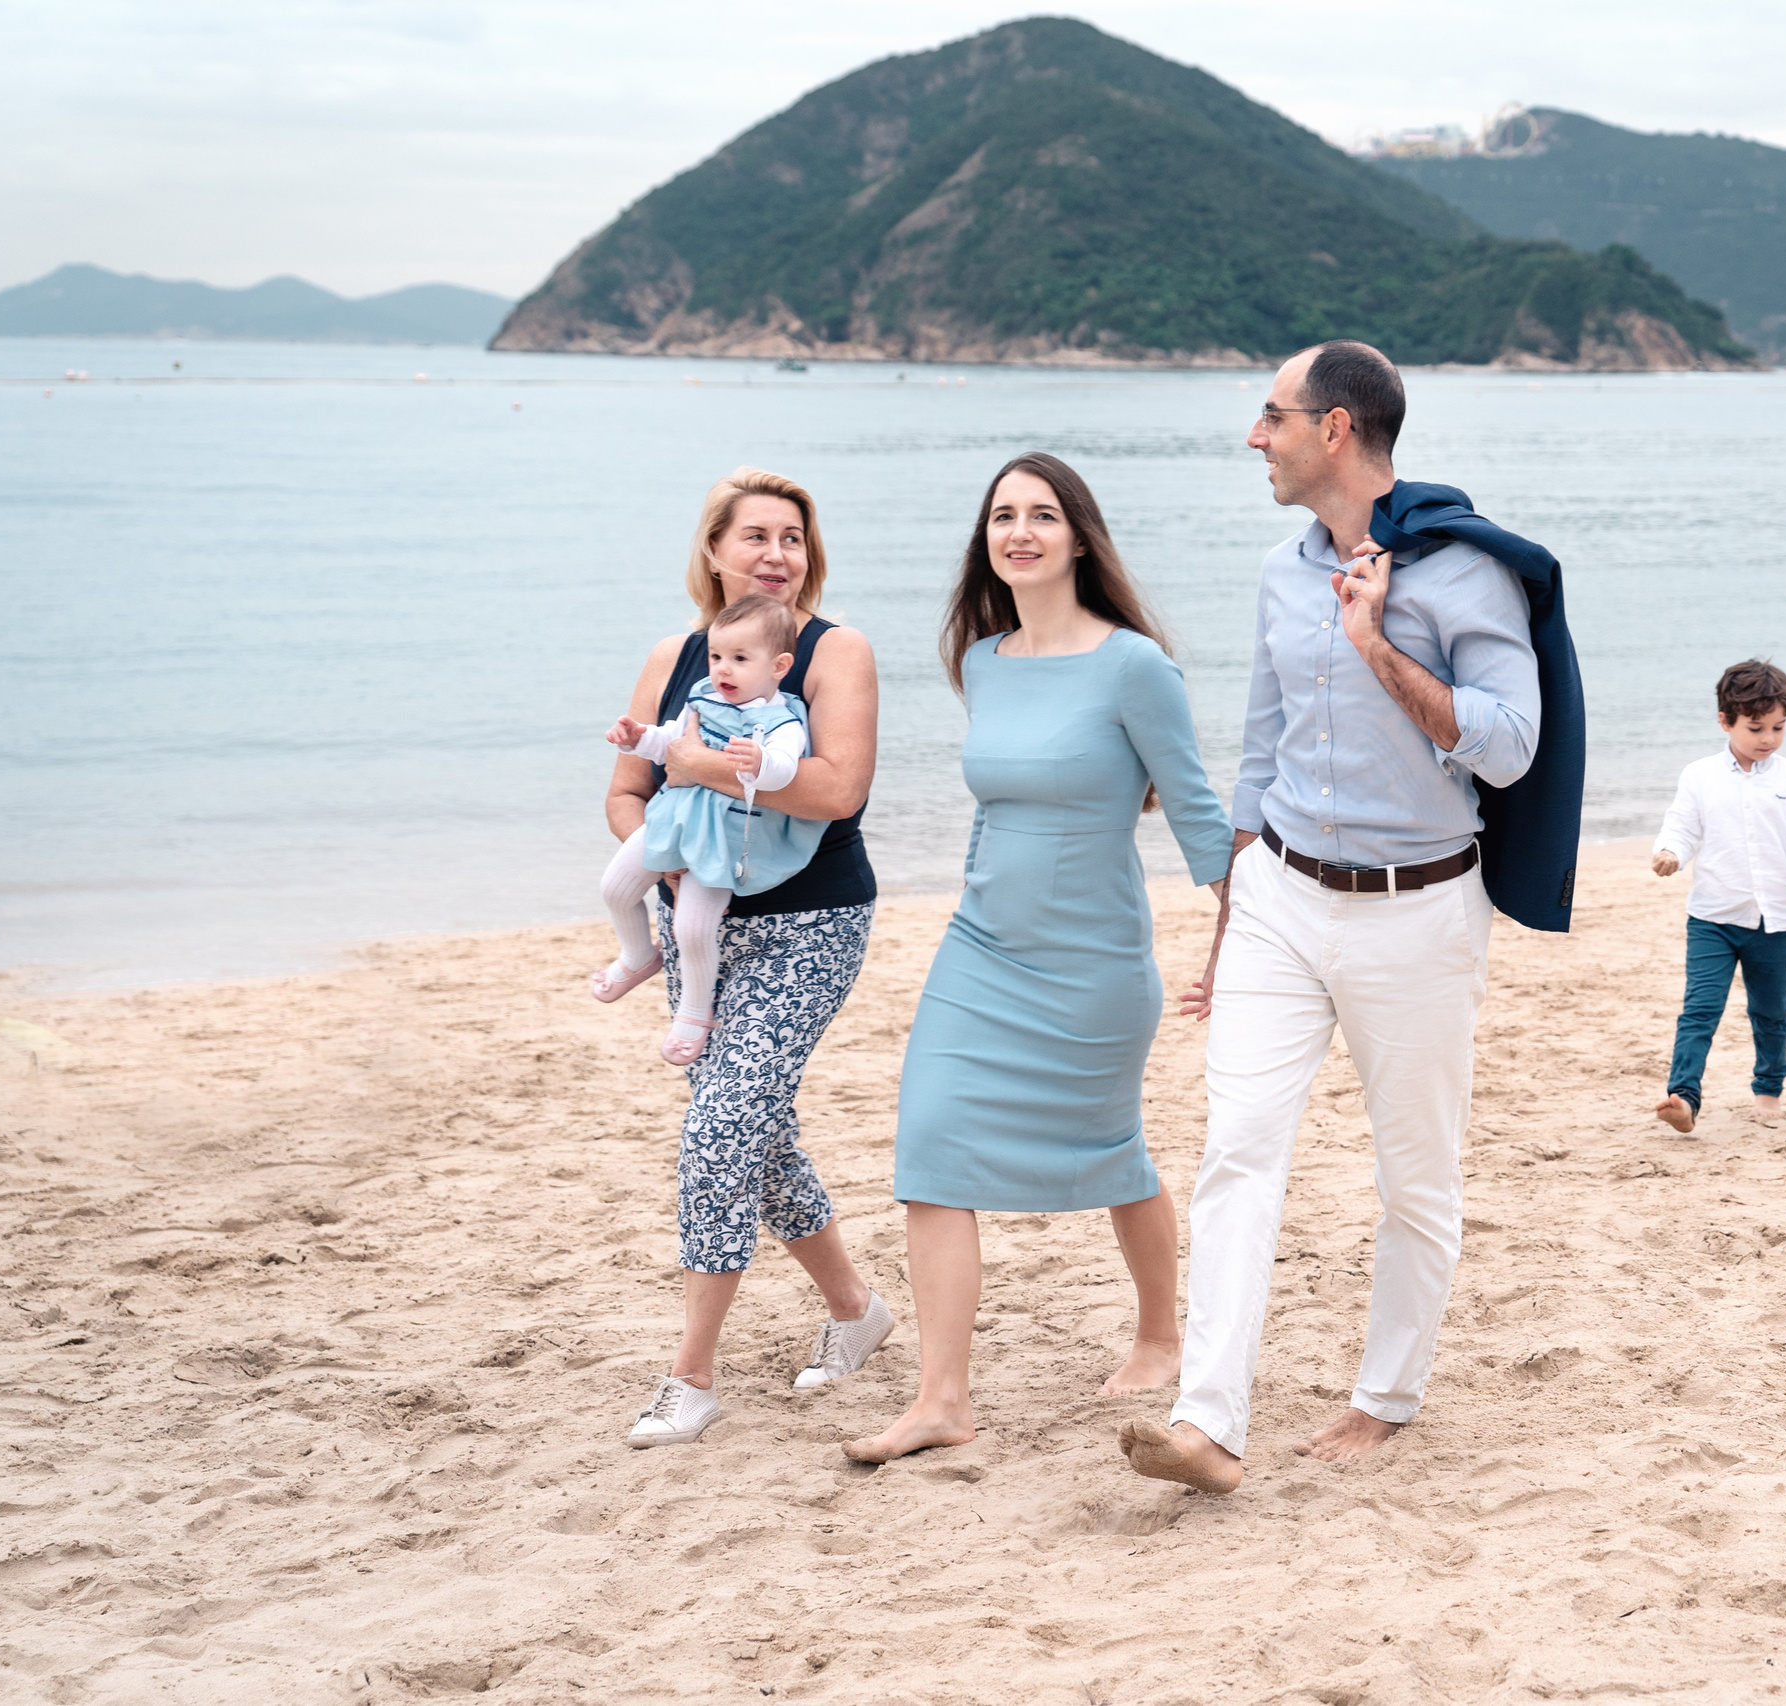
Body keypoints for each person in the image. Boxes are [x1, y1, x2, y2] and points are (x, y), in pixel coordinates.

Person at [1118, 340, 1551, 1497]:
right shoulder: (1276, 571)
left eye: (1272, 415)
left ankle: (1386, 1394)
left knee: (1414, 1174)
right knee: (1235, 1147)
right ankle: (1207, 1420)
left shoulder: (1466, 574)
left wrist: (1374, 644)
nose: (1255, 436)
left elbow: (1510, 750)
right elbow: (1262, 750)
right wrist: (1230, 901)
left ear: (1337, 429)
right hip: (1280, 896)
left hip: (1417, 910)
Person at [844, 454, 1234, 1464]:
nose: (1020, 530)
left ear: (1078, 537)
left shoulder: (1133, 664)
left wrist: (1239, 940)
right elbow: (1005, 802)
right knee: (929, 1147)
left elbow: (1196, 814)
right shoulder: (983, 660)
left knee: (1113, 1149)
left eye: (1042, 514)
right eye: (1002, 516)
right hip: (980, 949)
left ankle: (1160, 1332)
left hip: (1094, 963)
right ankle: (942, 1399)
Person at [607, 468, 895, 1448]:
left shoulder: (831, 649)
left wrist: (695, 768)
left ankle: (690, 1376)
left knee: (721, 1125)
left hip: (809, 922)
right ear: (714, 549)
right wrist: (655, 846)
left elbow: (834, 790)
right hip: (697, 913)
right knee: (755, 1129)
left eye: (794, 537)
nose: (777, 553)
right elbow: (623, 788)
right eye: (756, 536)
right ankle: (858, 1310)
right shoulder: (674, 653)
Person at [596, 595, 826, 1066]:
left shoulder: (780, 719)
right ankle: (638, 954)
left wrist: (762, 764)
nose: (724, 669)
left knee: (693, 927)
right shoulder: (702, 695)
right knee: (615, 888)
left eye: (740, 659)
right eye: (717, 656)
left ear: (779, 665)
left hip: (721, 837)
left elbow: (786, 769)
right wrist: (640, 738)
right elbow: (672, 743)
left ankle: (694, 1013)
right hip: (672, 818)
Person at [1650, 659, 1786, 1134]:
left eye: (1778, 727)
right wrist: (1670, 851)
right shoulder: (1699, 775)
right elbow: (1683, 826)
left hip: (1775, 920)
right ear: (1725, 721)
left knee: (1771, 1011)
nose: (1768, 738)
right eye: (1756, 727)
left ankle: (1769, 1090)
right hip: (1712, 917)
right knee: (1700, 1009)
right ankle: (1683, 1098)